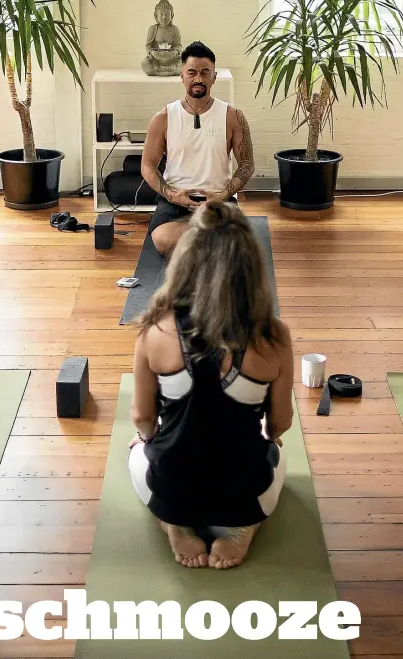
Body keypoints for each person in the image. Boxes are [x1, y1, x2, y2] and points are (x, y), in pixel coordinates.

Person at [128, 201, 294, 569]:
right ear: (250, 265)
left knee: (137, 451)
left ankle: (174, 521)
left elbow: (142, 416)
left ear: (184, 261)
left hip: (172, 488)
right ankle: (241, 526)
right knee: (277, 454)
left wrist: (146, 437)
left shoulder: (155, 329)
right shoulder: (274, 335)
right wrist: (269, 434)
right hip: (246, 492)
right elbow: (280, 424)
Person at [141, 41, 256, 257]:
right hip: (176, 199)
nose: (198, 79)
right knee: (163, 239)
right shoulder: (163, 118)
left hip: (218, 199)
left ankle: (198, 249)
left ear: (214, 76)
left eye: (205, 72)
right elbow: (147, 166)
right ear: (182, 75)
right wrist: (172, 195)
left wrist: (223, 194)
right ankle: (208, 247)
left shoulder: (233, 117)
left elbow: (247, 165)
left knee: (235, 244)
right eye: (192, 72)